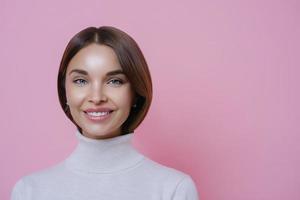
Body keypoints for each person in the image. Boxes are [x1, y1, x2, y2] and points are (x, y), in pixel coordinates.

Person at [11, 26, 199, 200]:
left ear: (135, 93)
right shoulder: (30, 191)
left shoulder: (174, 189)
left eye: (115, 81)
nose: (97, 97)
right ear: (65, 90)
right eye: (81, 81)